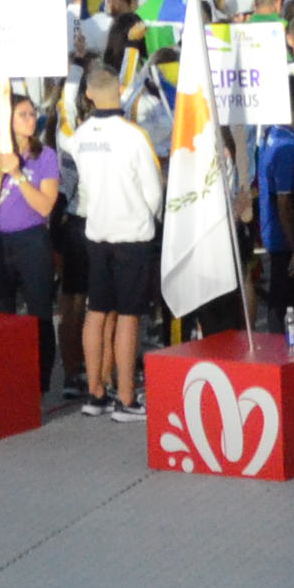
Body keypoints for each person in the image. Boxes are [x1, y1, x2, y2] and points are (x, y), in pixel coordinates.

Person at [72, 70, 164, 422]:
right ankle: (126, 397)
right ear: (121, 92)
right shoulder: (134, 136)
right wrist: (149, 217)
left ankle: (95, 392)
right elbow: (153, 189)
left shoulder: (80, 136)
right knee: (128, 315)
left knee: (96, 312)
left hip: (97, 232)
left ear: (90, 95)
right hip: (131, 234)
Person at [0, 90, 65, 400]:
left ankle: (40, 382)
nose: (31, 120)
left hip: (32, 241)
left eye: (32, 114)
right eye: (24, 115)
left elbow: (45, 206)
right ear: (8, 122)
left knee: (39, 313)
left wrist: (17, 174)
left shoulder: (45, 157)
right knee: (2, 313)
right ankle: (5, 376)